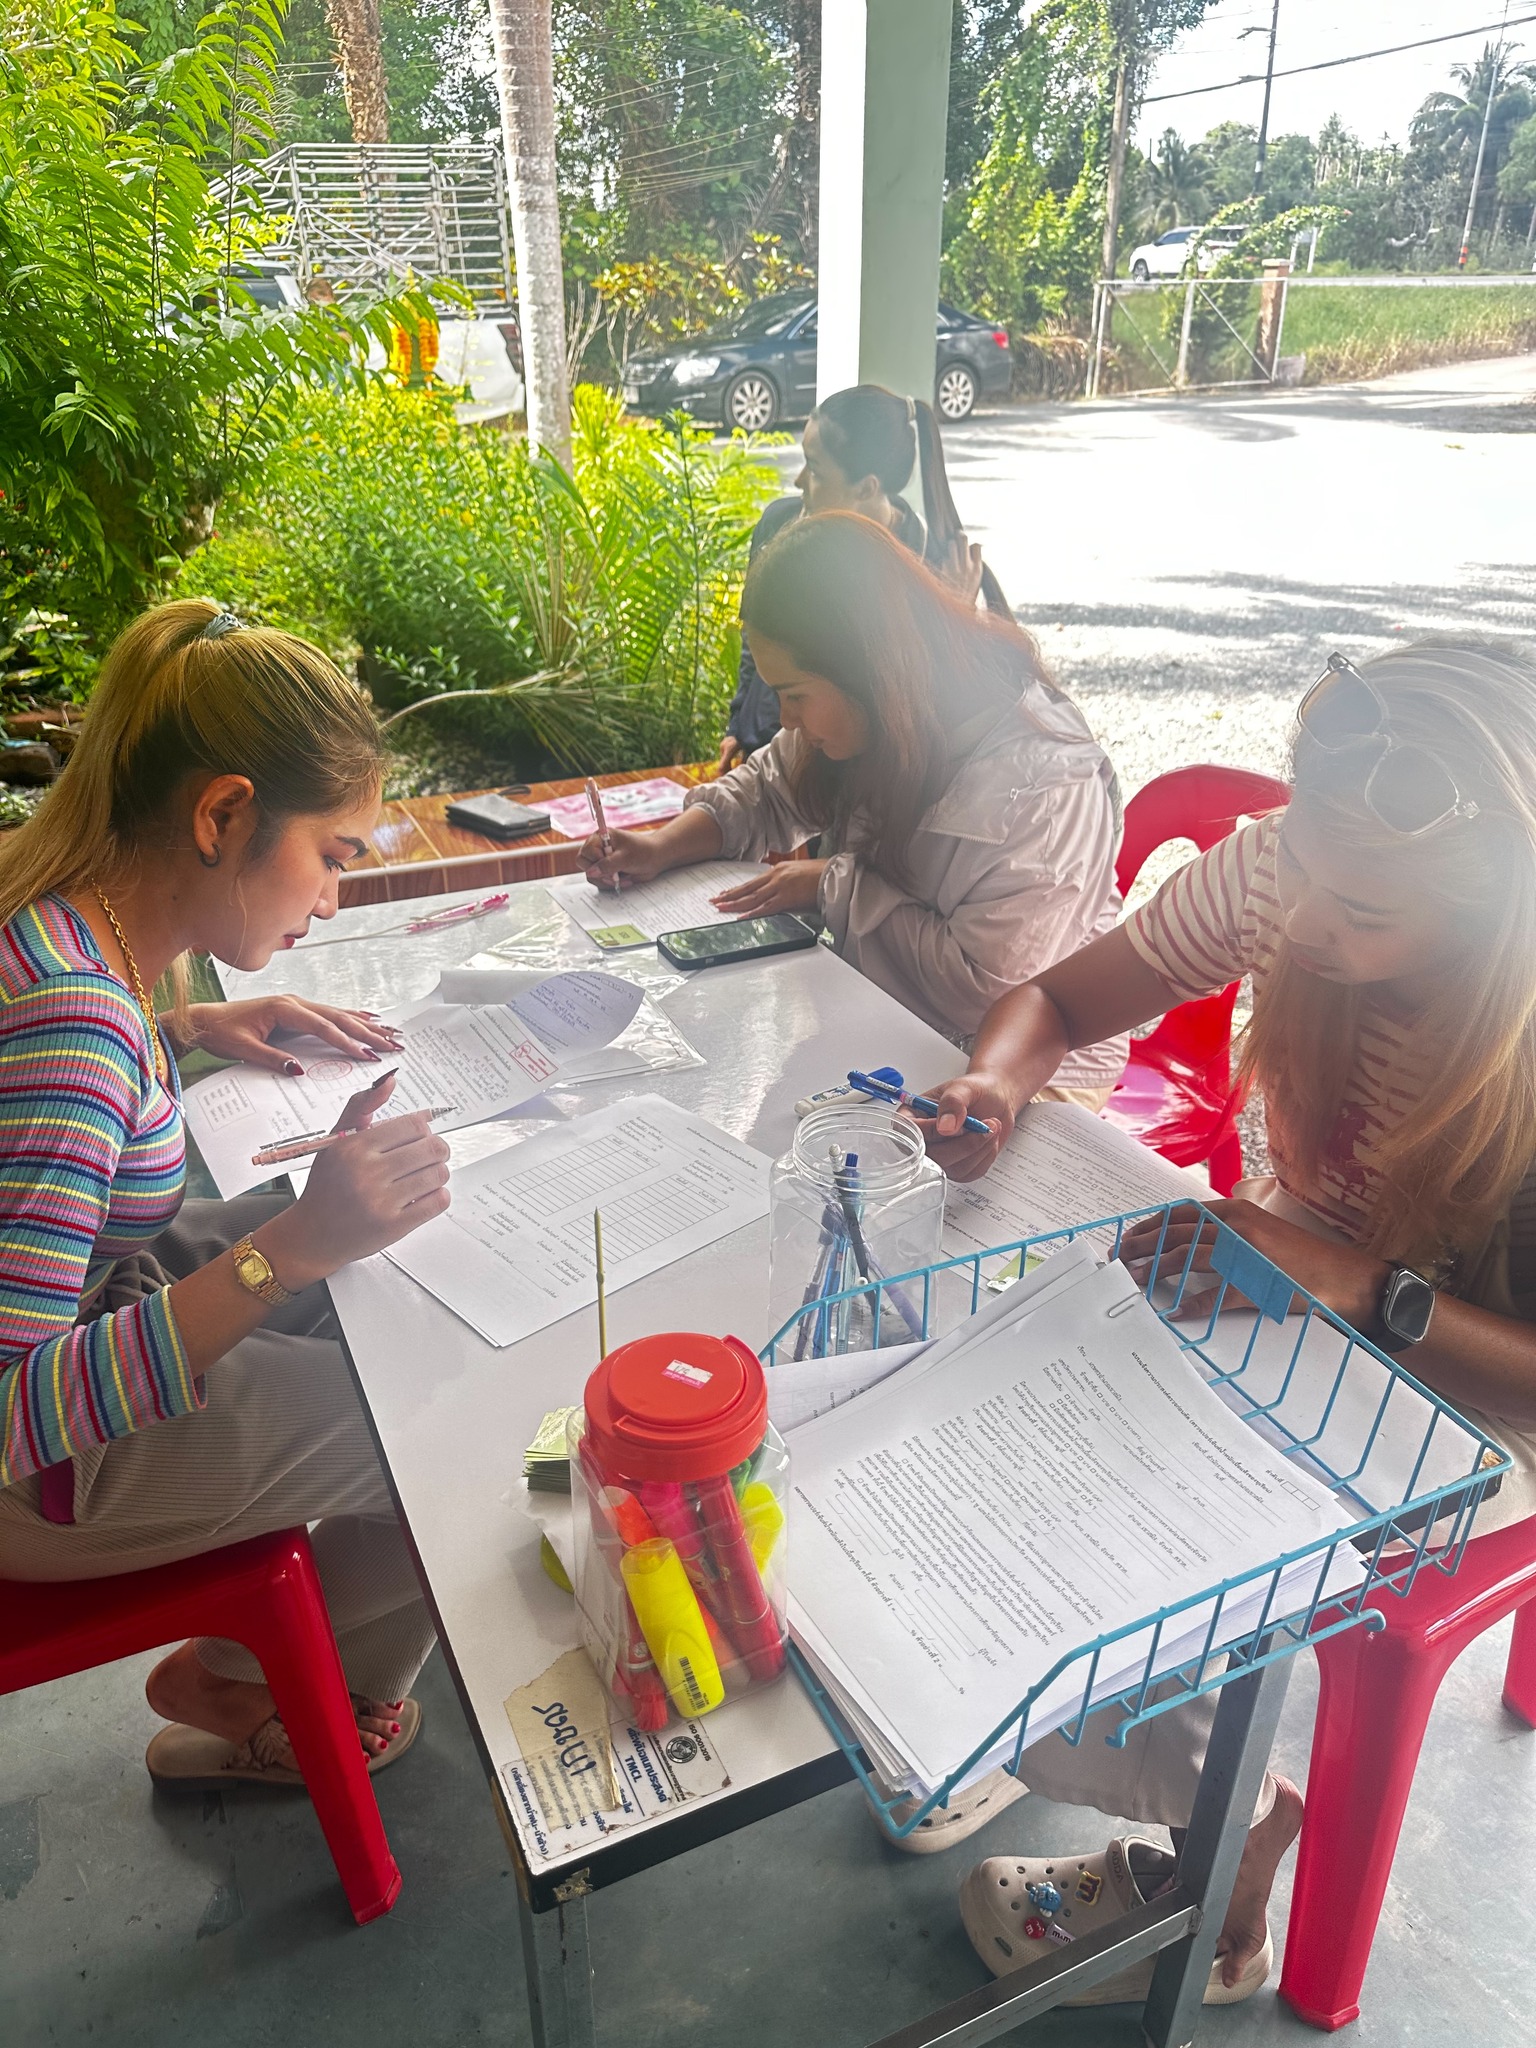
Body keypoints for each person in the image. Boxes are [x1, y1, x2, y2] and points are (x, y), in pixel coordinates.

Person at [916, 639, 1536, 2005]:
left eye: (1361, 909)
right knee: (1020, 1410)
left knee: (1177, 1524)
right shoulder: (1288, 877)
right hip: (1296, 1272)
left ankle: (1224, 1879)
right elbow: (1060, 999)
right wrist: (999, 1082)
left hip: (1472, 1385)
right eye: (1300, 860)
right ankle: (1064, 1716)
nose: (1302, 921)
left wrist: (1357, 1284)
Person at [0, 599, 452, 1788]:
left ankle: (279, 1669)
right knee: (445, 1426)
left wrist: (187, 1026)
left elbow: (48, 1110)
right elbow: (9, 1416)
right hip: (42, 1472)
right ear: (222, 815)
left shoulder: (57, 925)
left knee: (392, 1288)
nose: (331, 899)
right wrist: (289, 1248)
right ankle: (256, 1686)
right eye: (333, 855)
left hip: (94, 1296)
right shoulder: (75, 1035)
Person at [582, 513, 1125, 1089]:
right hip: (890, 1011)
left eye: (795, 695)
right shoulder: (890, 712)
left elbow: (982, 990)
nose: (786, 718)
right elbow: (764, 790)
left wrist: (830, 885)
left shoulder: (1046, 785)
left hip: (1026, 1068)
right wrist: (660, 846)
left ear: (869, 669)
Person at [719, 383, 1011, 767]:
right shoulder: (779, 525)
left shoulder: (931, 563)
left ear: (867, 487)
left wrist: (954, 613)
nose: (799, 480)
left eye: (815, 468)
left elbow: (926, 694)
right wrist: (739, 722)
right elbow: (755, 635)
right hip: (762, 752)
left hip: (840, 769)